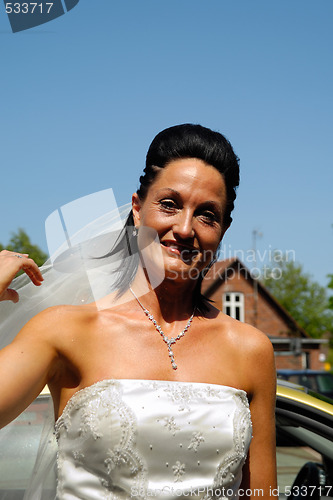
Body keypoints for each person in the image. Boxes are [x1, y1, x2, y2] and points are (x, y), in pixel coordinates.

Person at [0, 124, 277, 499]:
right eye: (169, 204)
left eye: (207, 215)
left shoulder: (251, 350)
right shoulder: (64, 331)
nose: (184, 228)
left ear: (223, 228)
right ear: (136, 209)